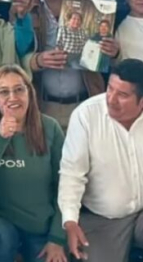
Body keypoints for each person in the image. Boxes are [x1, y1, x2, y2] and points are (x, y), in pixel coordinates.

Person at [0, 65, 68, 262]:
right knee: (1, 240)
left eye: (19, 89)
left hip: (39, 227)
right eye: (4, 92)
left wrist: (57, 238)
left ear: (29, 92)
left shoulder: (50, 127)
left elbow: (65, 185)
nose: (12, 97)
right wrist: (0, 135)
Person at [58, 59, 143, 262]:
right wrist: (70, 221)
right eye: (110, 89)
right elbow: (72, 174)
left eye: (122, 95)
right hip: (102, 220)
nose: (111, 99)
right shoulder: (85, 116)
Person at [25, 0, 110, 128]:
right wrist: (37, 61)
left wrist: (113, 51)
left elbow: (106, 55)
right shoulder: (24, 9)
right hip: (42, 106)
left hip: (85, 104)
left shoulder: (88, 7)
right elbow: (13, 55)